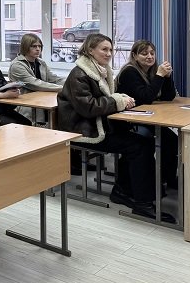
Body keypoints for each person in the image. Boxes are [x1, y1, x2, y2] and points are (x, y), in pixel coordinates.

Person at [57, 34, 174, 222]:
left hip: (100, 127)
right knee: (139, 146)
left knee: (142, 143)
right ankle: (142, 203)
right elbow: (88, 107)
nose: (109, 53)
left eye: (110, 49)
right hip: (85, 132)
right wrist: (117, 100)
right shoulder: (79, 74)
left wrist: (119, 99)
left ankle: (124, 190)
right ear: (90, 50)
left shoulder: (101, 71)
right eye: (104, 49)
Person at [115, 39, 179, 189]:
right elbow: (146, 98)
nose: (150, 56)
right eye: (144, 53)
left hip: (145, 116)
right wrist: (159, 76)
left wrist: (167, 77)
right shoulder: (129, 72)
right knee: (160, 141)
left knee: (172, 140)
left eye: (152, 53)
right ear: (134, 56)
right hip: (127, 120)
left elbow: (168, 97)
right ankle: (157, 178)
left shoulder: (151, 70)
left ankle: (167, 177)